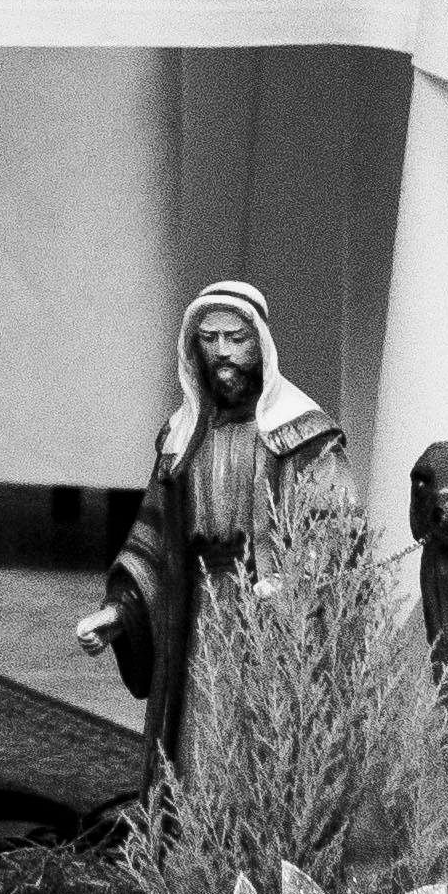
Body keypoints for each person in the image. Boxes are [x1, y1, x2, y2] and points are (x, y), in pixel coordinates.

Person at [78, 279, 360, 786]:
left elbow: (336, 530)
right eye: (209, 339)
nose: (223, 352)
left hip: (268, 614)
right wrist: (119, 614)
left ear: (261, 345)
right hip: (198, 615)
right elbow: (153, 539)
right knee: (196, 742)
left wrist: (291, 584)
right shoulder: (181, 440)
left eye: (236, 338)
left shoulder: (305, 436)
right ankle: (198, 851)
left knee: (264, 740)